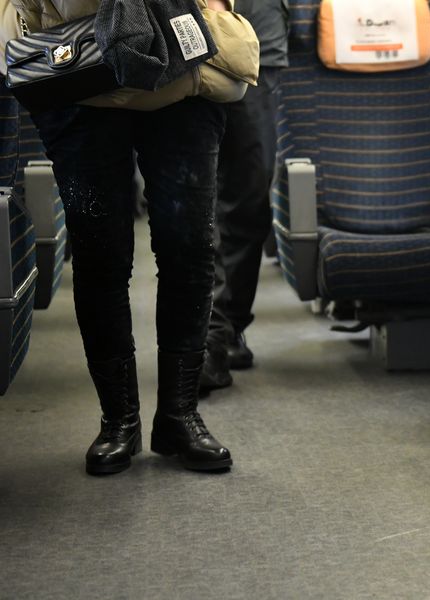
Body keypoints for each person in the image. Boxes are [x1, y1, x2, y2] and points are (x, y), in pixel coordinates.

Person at [0, 0, 257, 475]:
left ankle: (179, 414)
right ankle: (118, 420)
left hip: (185, 67)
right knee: (100, 252)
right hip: (78, 62)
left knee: (190, 248)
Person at [200, 0, 290, 392]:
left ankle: (228, 325)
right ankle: (206, 339)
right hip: (172, 29)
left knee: (250, 194)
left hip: (255, 33)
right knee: (192, 195)